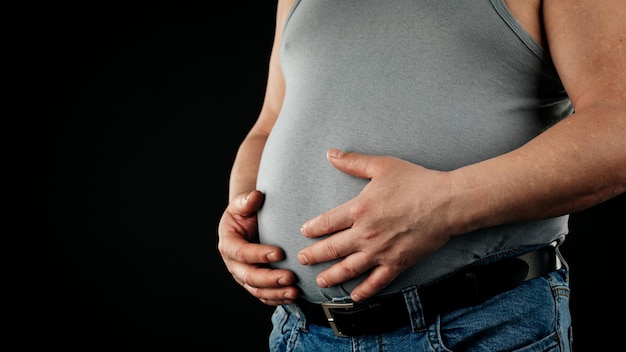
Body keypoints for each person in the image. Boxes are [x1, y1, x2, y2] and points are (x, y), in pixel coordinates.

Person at [218, 0, 625, 350]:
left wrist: (445, 204)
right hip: (303, 333)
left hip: (477, 325)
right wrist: (241, 213)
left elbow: (617, 125)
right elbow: (269, 123)